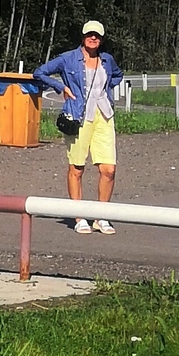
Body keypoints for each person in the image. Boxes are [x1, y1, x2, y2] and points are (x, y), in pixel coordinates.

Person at [33, 18, 121, 230]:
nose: (93, 38)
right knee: (77, 167)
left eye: (97, 35)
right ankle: (79, 217)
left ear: (101, 39)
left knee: (108, 169)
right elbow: (39, 72)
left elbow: (117, 76)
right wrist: (60, 87)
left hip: (104, 116)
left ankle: (102, 216)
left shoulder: (107, 60)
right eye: (90, 34)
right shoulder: (68, 59)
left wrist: (106, 92)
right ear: (83, 36)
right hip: (78, 115)